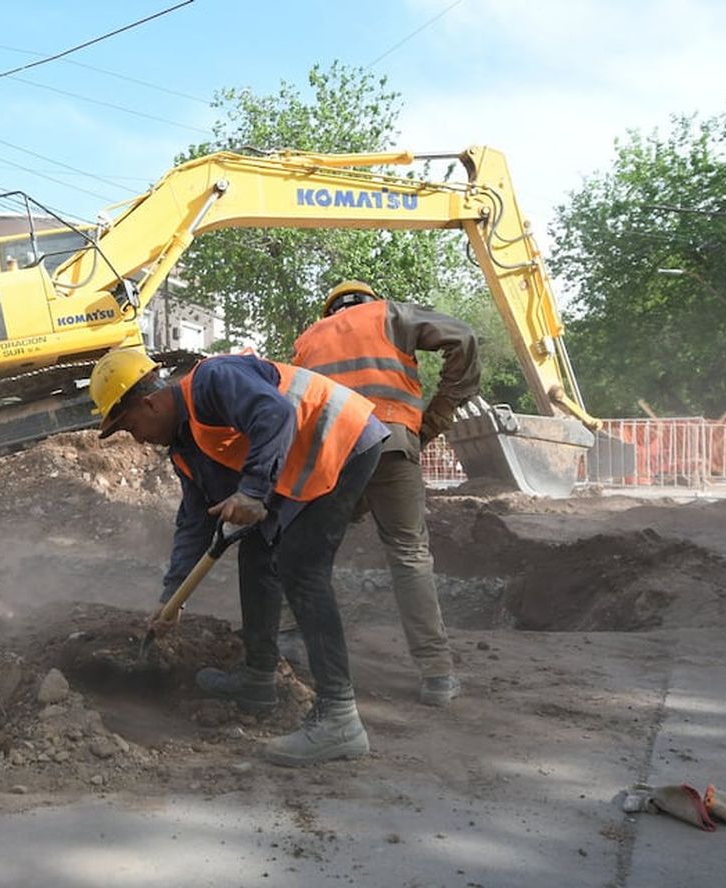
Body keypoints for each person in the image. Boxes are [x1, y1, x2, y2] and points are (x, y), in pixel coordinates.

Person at [89, 348, 388, 766]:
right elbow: (195, 523)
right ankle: (258, 680)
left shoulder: (213, 380)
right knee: (257, 555)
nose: (135, 438)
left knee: (301, 568)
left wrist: (252, 490)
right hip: (305, 460)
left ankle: (340, 719)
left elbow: (276, 414)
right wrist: (172, 597)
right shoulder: (184, 449)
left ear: (150, 402)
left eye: (129, 426)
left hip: (342, 439)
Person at [285, 279, 480, 706]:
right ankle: (437, 676)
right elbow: (462, 337)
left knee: (305, 552)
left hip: (333, 455)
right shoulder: (389, 314)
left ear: (329, 310)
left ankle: (287, 640)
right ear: (368, 300)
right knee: (408, 554)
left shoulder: (308, 339)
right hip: (391, 444)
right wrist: (443, 408)